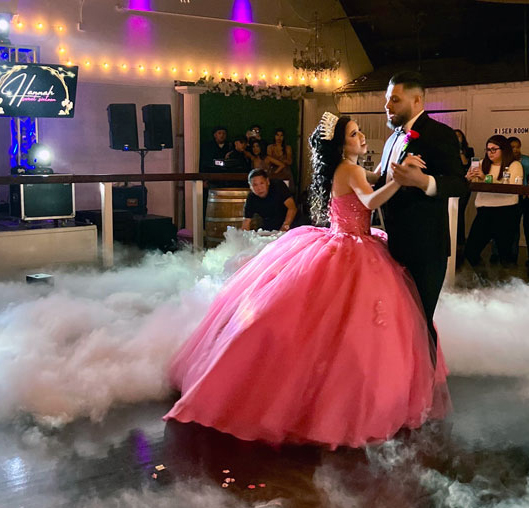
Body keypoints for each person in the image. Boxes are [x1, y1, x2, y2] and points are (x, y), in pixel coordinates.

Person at [165, 113, 449, 448]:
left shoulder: (347, 168)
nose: (362, 138)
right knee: (347, 325)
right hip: (350, 245)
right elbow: (371, 200)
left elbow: (374, 177)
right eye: (355, 134)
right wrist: (403, 181)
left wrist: (400, 168)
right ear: (341, 144)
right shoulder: (350, 169)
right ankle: (342, 401)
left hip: (348, 240)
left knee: (334, 323)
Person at [376, 71, 468, 341]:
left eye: (395, 100)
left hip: (426, 247)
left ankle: (426, 379)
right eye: (387, 100)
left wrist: (424, 181)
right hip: (391, 246)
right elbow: (381, 183)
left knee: (420, 323)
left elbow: (459, 184)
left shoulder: (440, 134)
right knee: (396, 321)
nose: (387, 106)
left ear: (417, 101)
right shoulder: (392, 139)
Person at [464, 134, 524, 270]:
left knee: (505, 255)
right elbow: (472, 183)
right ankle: (484, 281)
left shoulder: (514, 165)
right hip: (484, 210)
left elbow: (512, 188)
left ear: (503, 149)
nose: (490, 153)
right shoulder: (480, 164)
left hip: (506, 211)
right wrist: (468, 178)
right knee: (471, 251)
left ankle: (507, 286)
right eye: (487, 150)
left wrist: (485, 178)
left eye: (494, 149)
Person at [508, 136, 529, 266]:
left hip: (527, 198)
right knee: (512, 227)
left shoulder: (527, 161)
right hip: (511, 197)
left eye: (518, 147)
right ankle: (511, 255)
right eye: (513, 147)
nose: (516, 150)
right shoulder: (506, 161)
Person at [454, 129, 474, 248]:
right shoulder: (448, 150)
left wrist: (460, 151)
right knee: (453, 210)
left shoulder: (469, 151)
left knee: (460, 211)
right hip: (453, 183)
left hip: (465, 183)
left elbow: (466, 163)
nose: (457, 138)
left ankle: (460, 240)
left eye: (459, 136)